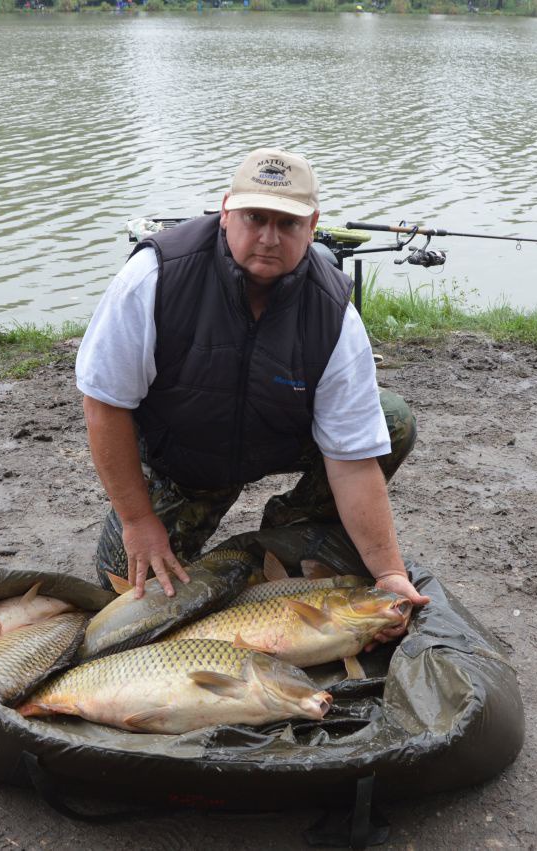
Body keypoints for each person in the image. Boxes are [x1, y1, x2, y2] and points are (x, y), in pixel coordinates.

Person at [75, 147, 429, 641]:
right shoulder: (154, 278)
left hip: (273, 436)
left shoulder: (333, 313)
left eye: (286, 223)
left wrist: (389, 572)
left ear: (312, 225)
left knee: (390, 422)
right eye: (254, 217)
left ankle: (291, 529)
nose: (267, 237)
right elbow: (104, 404)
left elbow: (351, 456)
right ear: (225, 212)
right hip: (181, 456)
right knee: (124, 592)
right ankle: (180, 514)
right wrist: (138, 521)